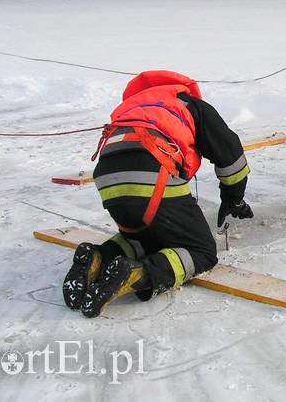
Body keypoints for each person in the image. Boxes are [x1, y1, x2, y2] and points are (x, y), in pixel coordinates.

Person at [62, 70, 254, 317]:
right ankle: (137, 275)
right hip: (152, 170)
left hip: (107, 178)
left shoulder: (129, 109)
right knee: (202, 252)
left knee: (145, 238)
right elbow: (231, 157)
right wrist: (233, 198)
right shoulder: (187, 103)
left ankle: (99, 256)